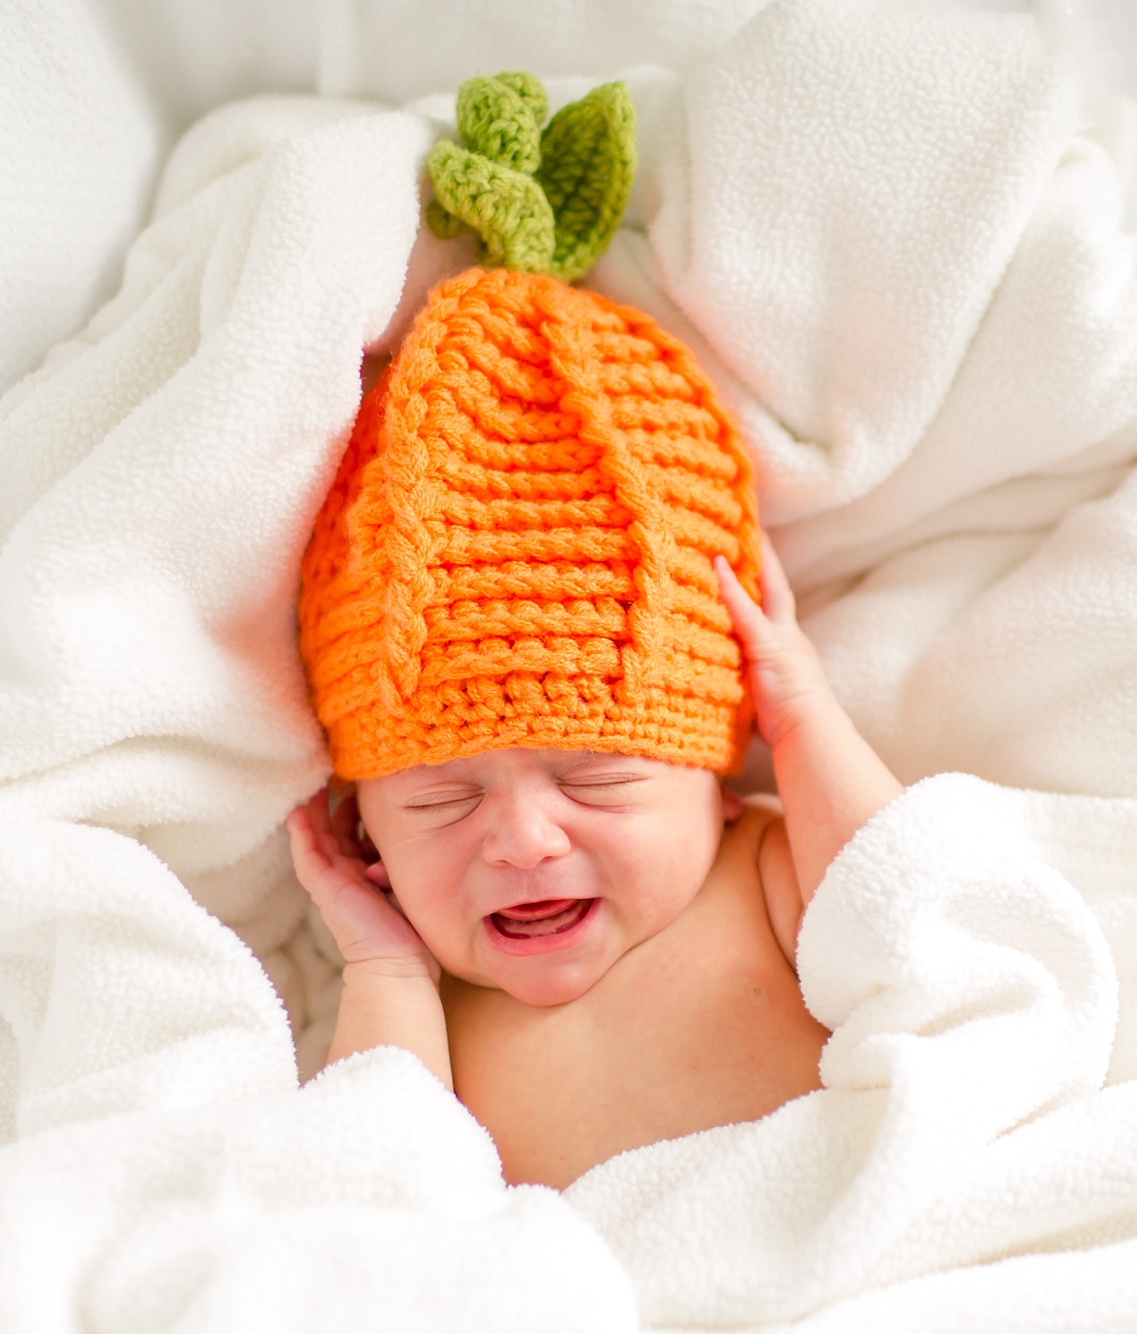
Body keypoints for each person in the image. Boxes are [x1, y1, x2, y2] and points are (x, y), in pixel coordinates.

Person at [285, 262, 902, 1190]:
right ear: (363, 827)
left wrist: (803, 717)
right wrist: (383, 964)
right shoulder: (428, 1006)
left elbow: (921, 911)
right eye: (442, 801)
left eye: (595, 780)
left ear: (721, 783)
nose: (525, 841)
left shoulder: (771, 876)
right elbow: (369, 1181)